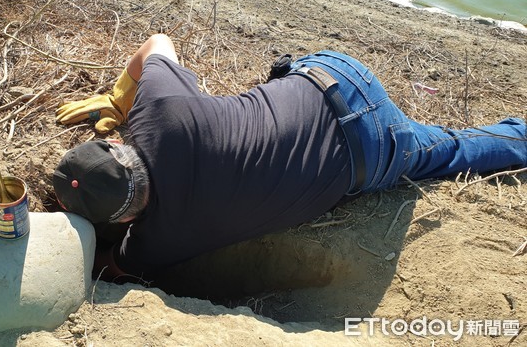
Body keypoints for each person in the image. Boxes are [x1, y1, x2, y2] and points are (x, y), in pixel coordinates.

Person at [53, 34, 527, 284]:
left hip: (373, 151)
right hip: (332, 72)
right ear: (115, 145)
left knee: (455, 148)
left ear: (130, 216)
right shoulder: (161, 109)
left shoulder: (158, 240)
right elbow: (157, 41)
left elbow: (111, 269)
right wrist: (121, 99)